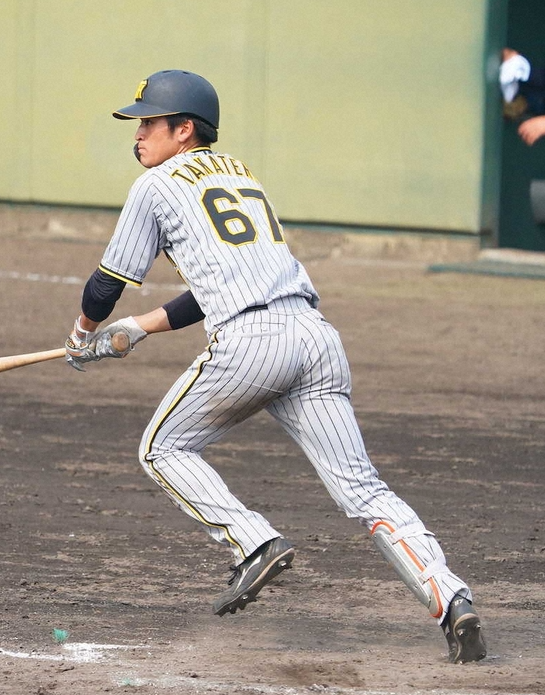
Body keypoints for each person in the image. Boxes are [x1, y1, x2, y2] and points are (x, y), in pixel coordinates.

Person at [64, 70, 487, 664]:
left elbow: (106, 283)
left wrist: (84, 334)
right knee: (363, 489)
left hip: (252, 343)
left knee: (163, 449)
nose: (138, 135)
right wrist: (139, 328)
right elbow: (218, 286)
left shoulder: (156, 186)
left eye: (148, 122)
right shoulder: (240, 173)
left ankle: (253, 542)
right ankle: (452, 598)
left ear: (183, 131)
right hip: (315, 340)